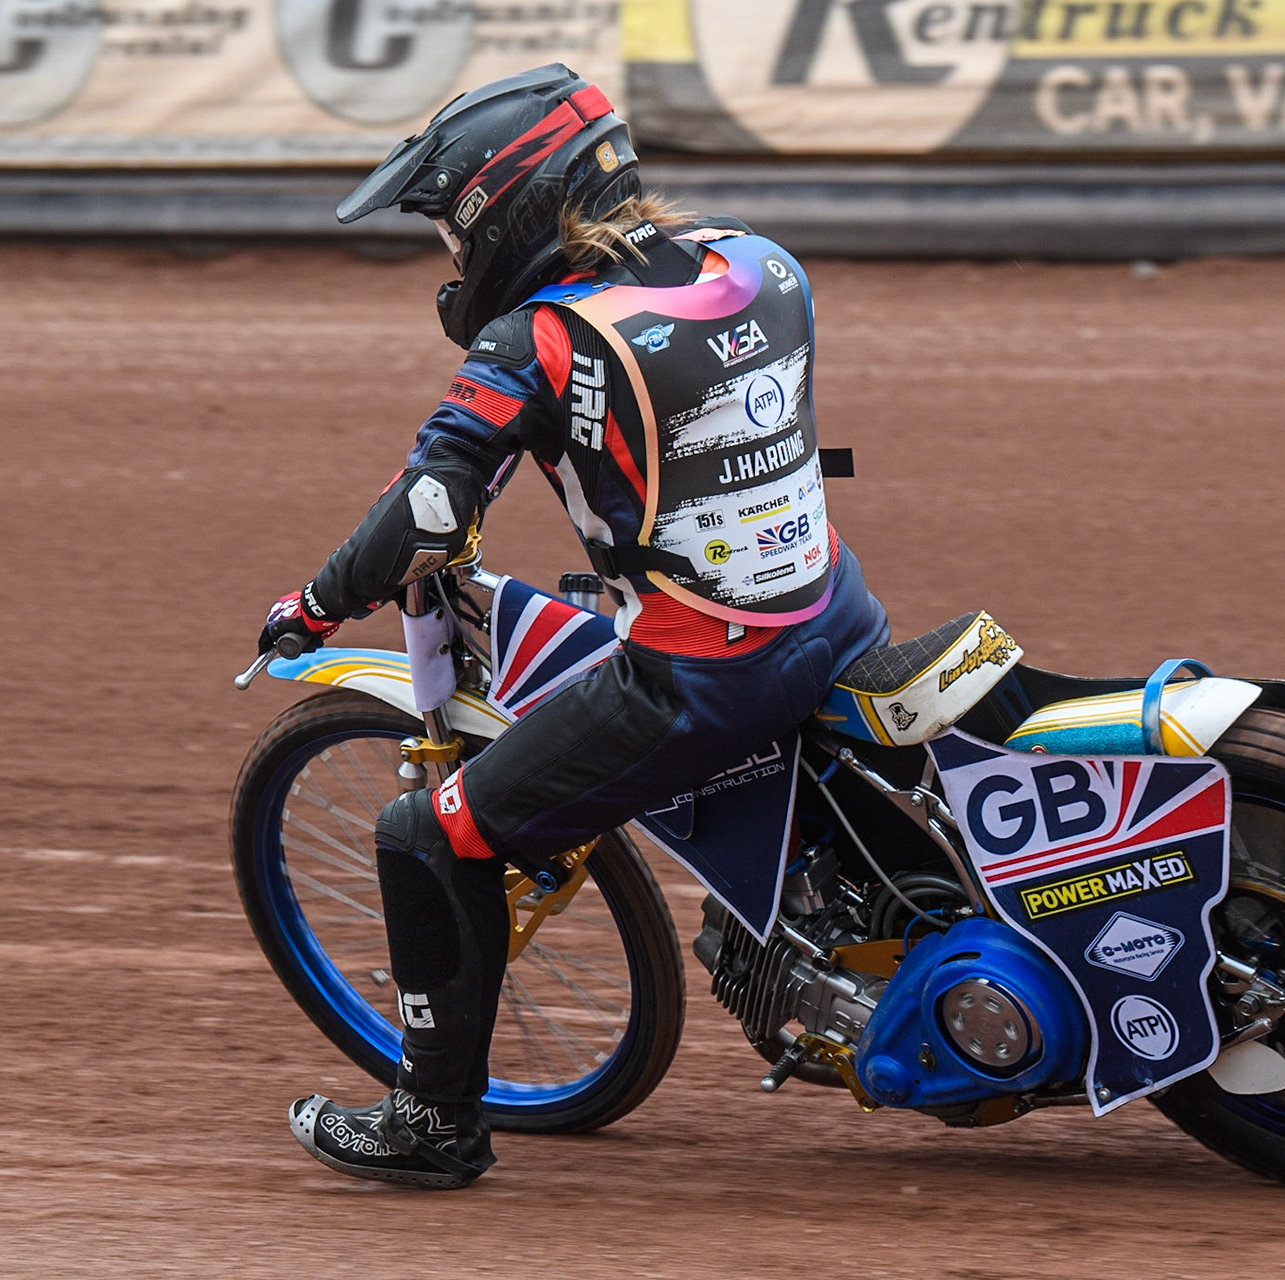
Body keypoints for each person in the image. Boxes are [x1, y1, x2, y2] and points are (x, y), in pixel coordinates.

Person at [256, 65, 889, 1189]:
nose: (456, 264)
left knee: (426, 830)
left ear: (506, 208)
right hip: (835, 609)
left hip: (702, 678)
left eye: (455, 233)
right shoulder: (762, 262)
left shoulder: (539, 340)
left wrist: (313, 602)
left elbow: (428, 515)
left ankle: (434, 1121)